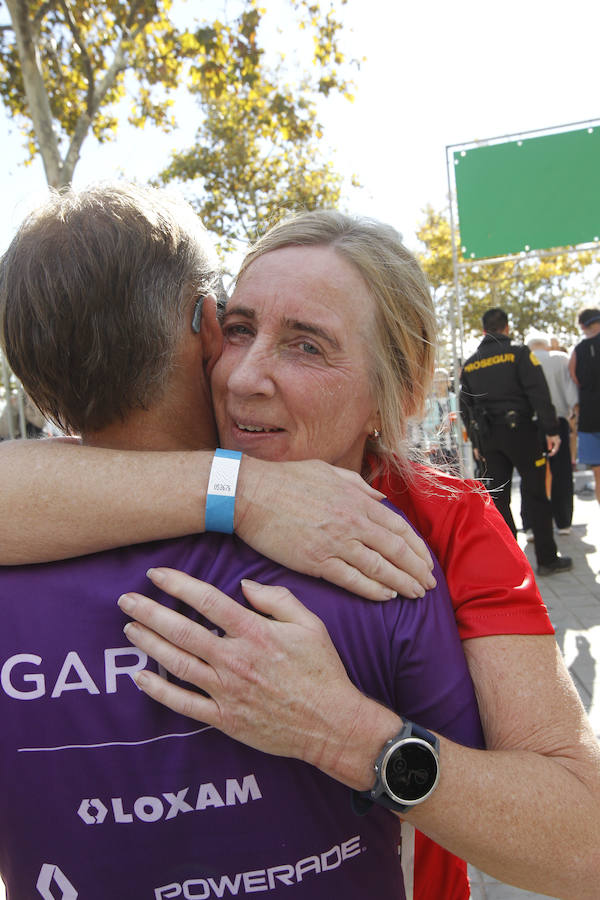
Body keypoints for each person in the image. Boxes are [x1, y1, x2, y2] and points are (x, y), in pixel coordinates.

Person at [2, 198, 599, 899]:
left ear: (398, 393)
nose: (244, 375)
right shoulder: (108, 485)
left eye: (307, 344)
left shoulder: (441, 522)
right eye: (239, 327)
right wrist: (242, 490)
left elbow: (582, 845)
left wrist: (353, 738)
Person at [460, 307, 572, 576]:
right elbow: (538, 392)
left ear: (484, 330)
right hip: (521, 432)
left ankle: (511, 565)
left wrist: (476, 441)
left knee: (499, 500)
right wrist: (551, 429)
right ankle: (546, 559)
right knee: (535, 494)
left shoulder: (471, 364)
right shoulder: (519, 354)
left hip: (489, 439)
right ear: (507, 328)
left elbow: (466, 406)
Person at [523, 330, 578, 534]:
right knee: (562, 472)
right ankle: (564, 523)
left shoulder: (522, 359)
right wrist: (571, 414)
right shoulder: (561, 359)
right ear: (547, 344)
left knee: (530, 474)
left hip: (529, 424)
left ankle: (530, 525)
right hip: (558, 421)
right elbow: (571, 393)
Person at [569, 307, 600, 505]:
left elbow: (574, 378)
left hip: (589, 417)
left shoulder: (577, 351)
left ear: (582, 325)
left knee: (598, 473)